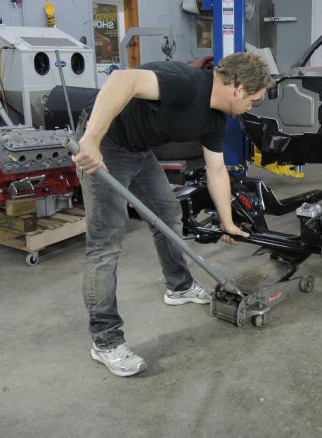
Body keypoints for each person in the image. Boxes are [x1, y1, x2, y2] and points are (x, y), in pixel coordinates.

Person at [72, 52, 273, 377]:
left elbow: (217, 170)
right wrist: (91, 139)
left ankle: (178, 287)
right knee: (104, 246)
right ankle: (106, 341)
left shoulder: (216, 119)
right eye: (253, 100)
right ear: (238, 90)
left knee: (167, 214)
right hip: (107, 144)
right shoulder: (187, 83)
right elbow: (122, 79)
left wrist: (227, 221)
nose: (251, 106)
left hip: (138, 149)